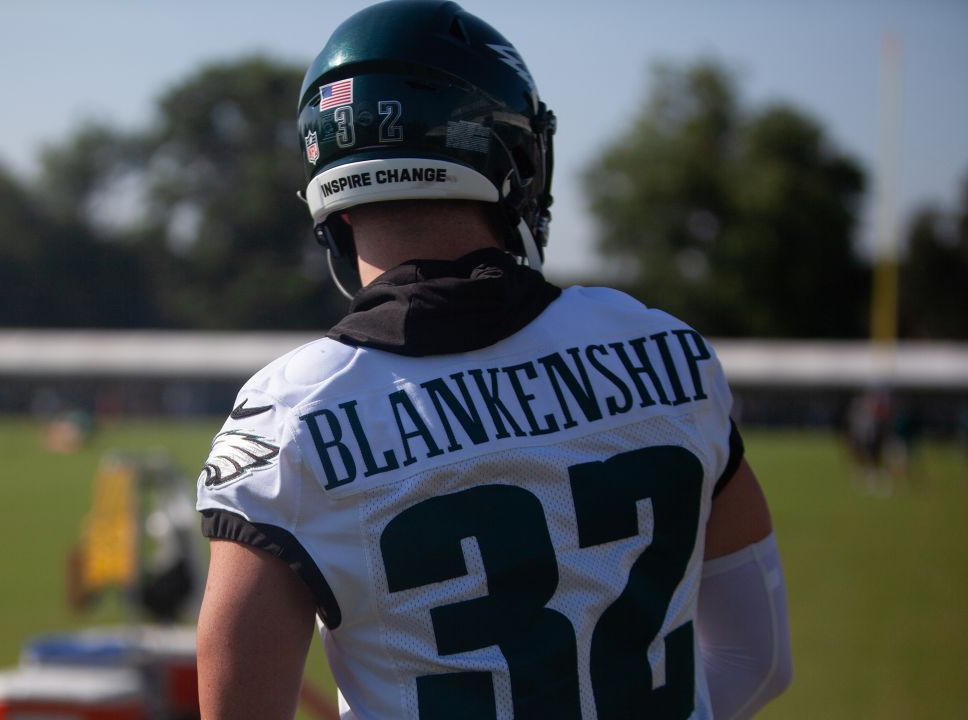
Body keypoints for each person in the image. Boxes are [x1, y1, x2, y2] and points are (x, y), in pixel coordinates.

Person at [194, 2, 792, 718]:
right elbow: (758, 661)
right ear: (508, 154)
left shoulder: (288, 419)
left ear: (335, 199)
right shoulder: (665, 352)